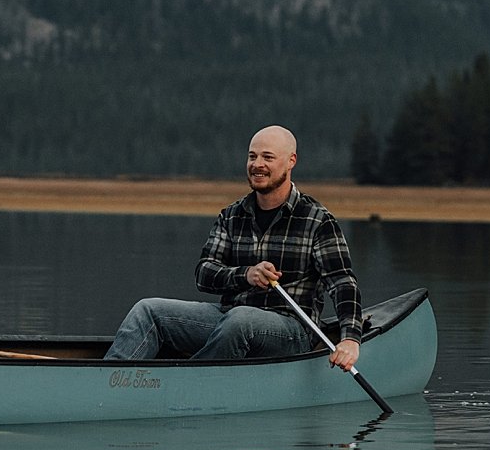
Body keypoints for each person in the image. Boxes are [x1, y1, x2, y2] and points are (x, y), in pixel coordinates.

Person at [104, 125, 362, 370]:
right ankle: (105, 382)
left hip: (291, 331)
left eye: (268, 157)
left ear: (291, 161)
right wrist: (246, 275)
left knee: (240, 321)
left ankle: (184, 383)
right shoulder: (232, 215)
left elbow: (342, 283)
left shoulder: (317, 220)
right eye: (252, 156)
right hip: (228, 318)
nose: (257, 165)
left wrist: (350, 339)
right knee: (148, 310)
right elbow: (204, 273)